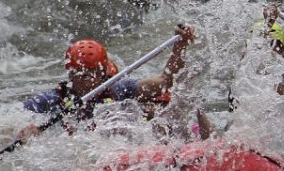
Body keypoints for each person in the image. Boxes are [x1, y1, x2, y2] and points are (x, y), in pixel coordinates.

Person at [22, 24, 196, 132]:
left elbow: (165, 82)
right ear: (70, 73)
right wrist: (22, 132)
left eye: (93, 73)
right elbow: (10, 124)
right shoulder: (49, 101)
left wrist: (179, 49)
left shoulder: (120, 89)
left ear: (103, 72)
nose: (86, 80)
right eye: (80, 74)